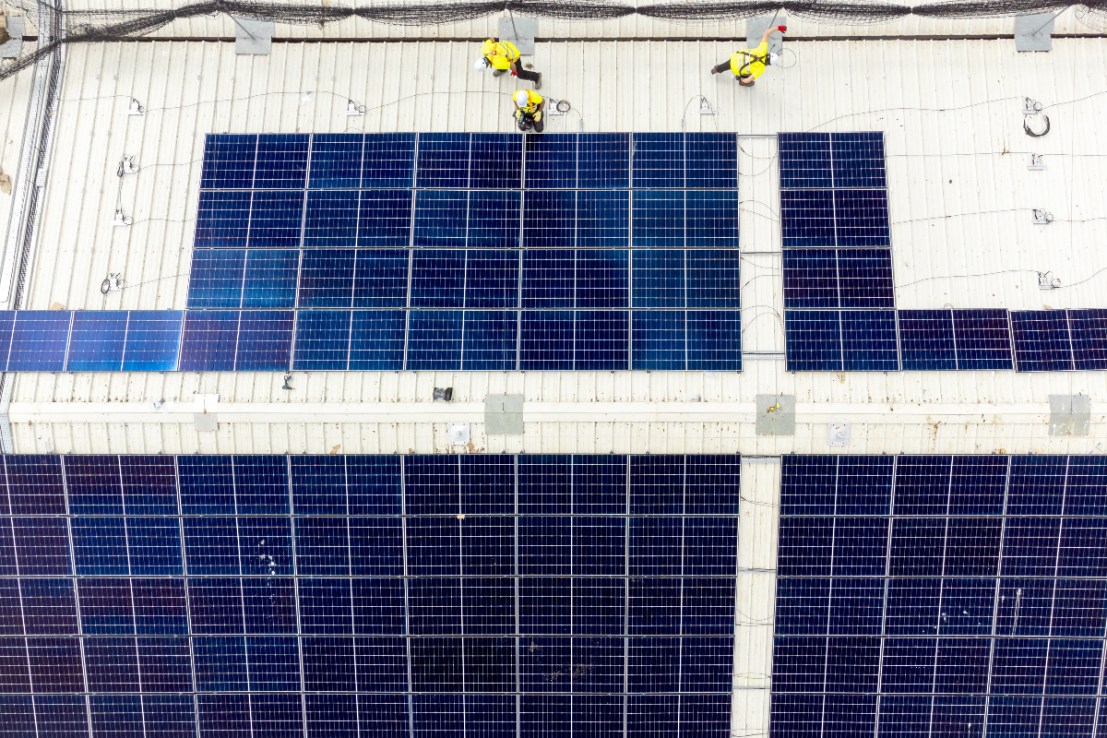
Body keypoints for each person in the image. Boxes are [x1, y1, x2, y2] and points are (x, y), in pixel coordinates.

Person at [711, 25, 787, 87]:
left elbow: (767, 33)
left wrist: (779, 28)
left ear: (769, 54)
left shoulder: (762, 50)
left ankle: (717, 69)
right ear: (769, 64)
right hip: (736, 69)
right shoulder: (761, 69)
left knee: (728, 64)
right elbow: (748, 80)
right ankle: (739, 79)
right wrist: (743, 81)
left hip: (735, 57)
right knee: (750, 79)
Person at [475, 38, 542, 89]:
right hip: (507, 45)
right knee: (503, 65)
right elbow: (491, 39)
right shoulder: (484, 49)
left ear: (486, 67)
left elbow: (513, 65)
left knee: (520, 74)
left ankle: (537, 77)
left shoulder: (498, 63)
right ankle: (503, 69)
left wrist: (514, 72)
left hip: (514, 55)